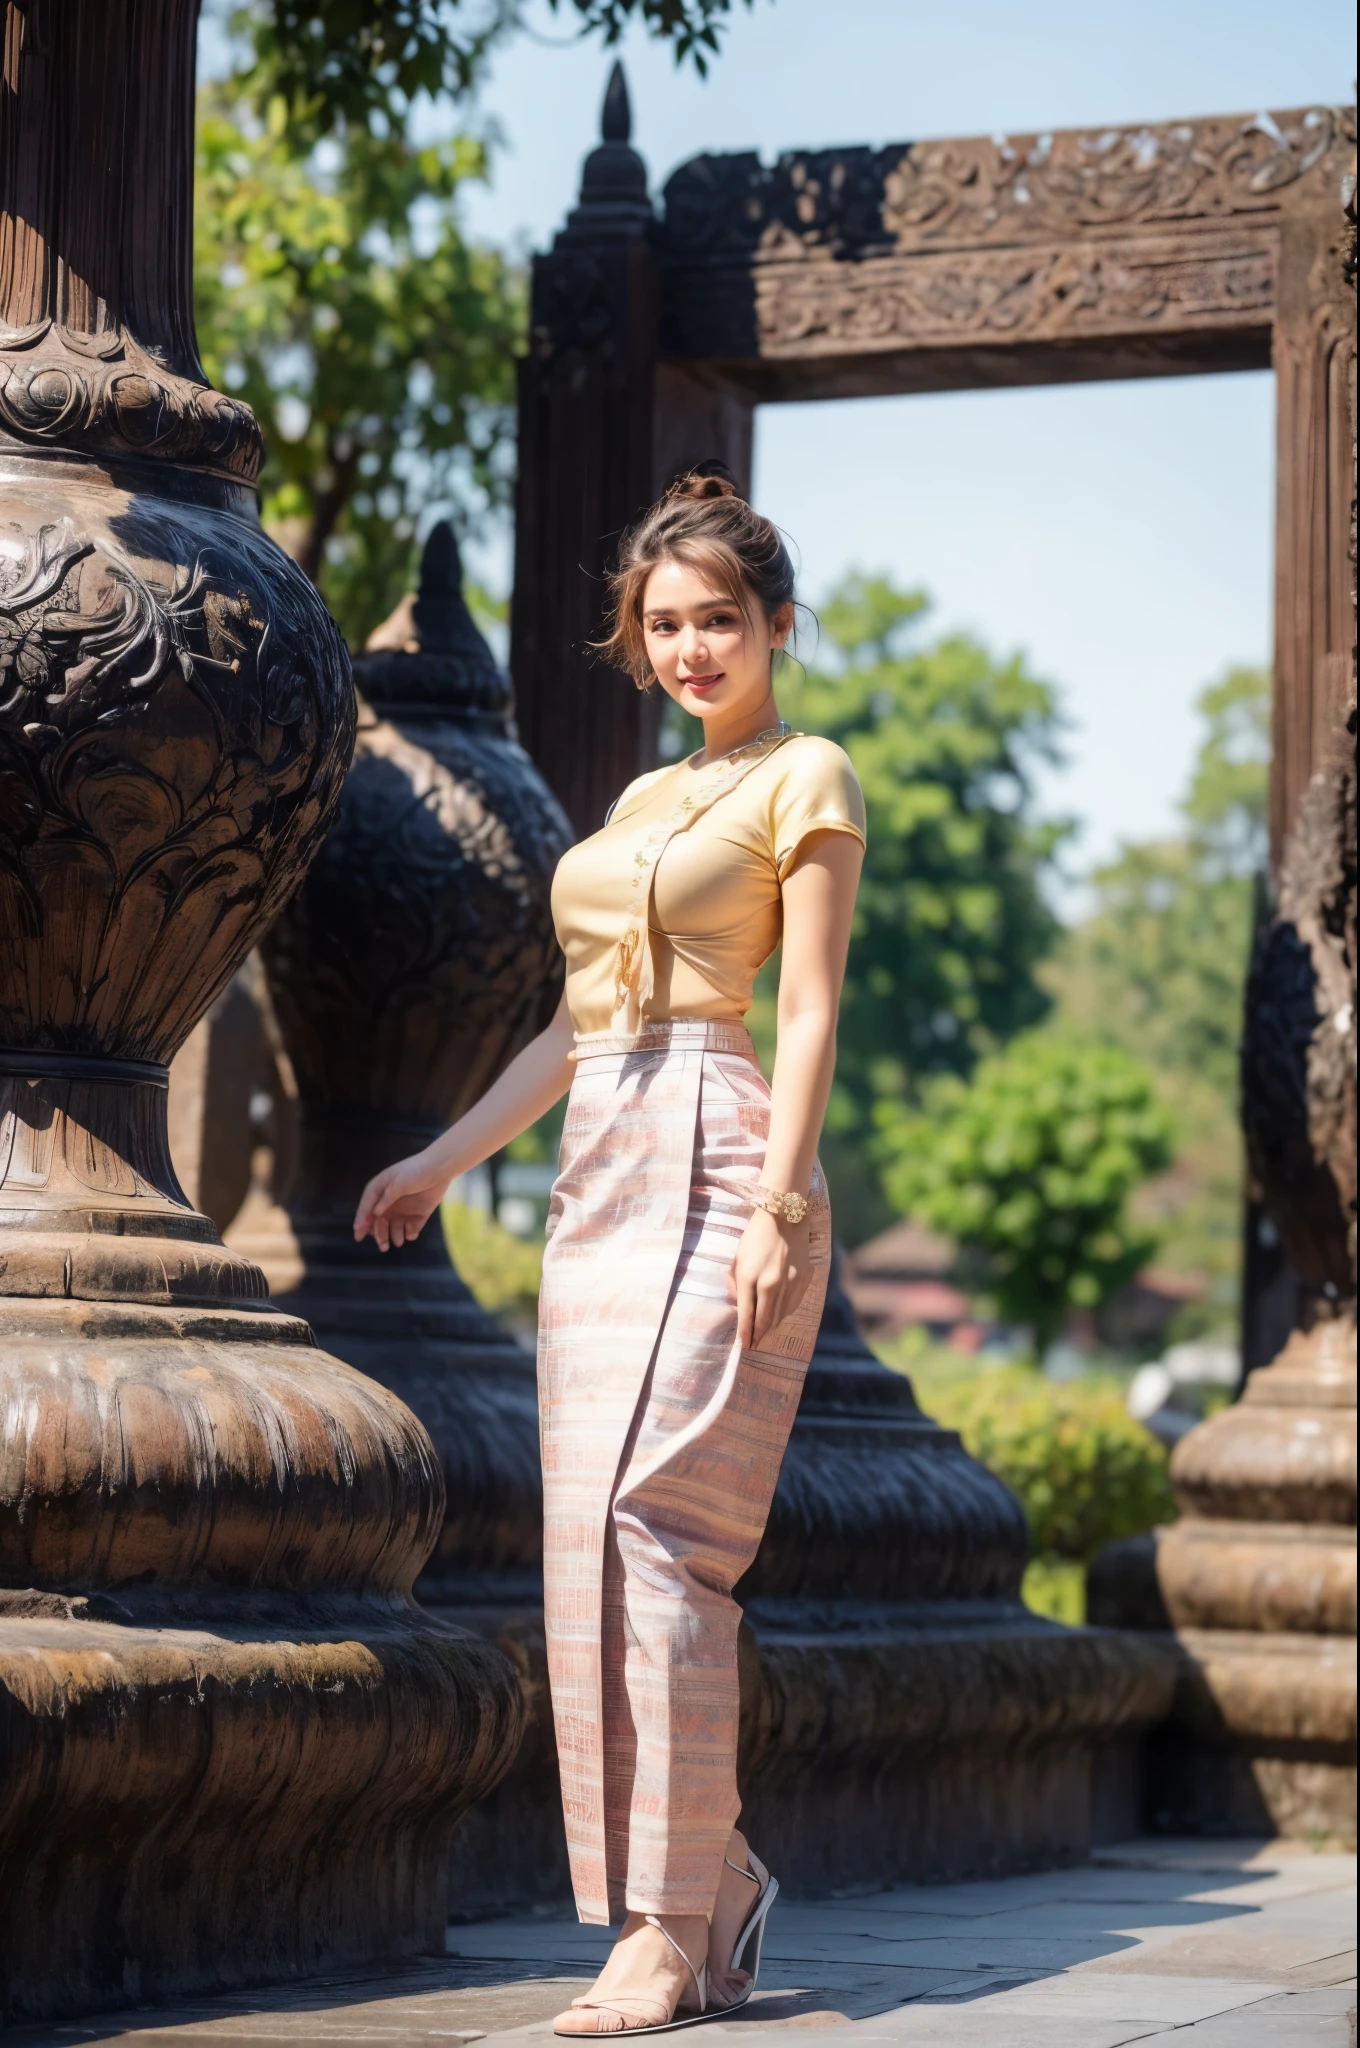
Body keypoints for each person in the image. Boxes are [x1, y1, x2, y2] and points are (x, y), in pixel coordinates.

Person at [354, 465, 865, 2034]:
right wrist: (443, 1158)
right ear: (637, 644)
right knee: (588, 1549)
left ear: (777, 624)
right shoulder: (641, 803)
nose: (695, 646)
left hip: (727, 1154)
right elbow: (579, 1031)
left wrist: (782, 1206)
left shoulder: (810, 778)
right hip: (602, 1172)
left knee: (665, 1537)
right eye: (667, 624)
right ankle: (707, 1892)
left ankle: (660, 1922)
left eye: (722, 618)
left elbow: (806, 1007)